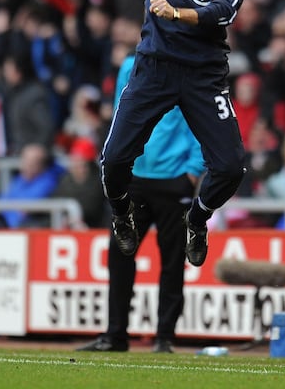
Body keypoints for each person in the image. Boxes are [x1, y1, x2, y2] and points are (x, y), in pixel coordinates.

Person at [71, 0, 249, 266]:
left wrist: (177, 12)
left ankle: (198, 218)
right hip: (154, 68)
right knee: (114, 160)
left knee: (232, 167)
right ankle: (122, 214)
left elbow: (223, 11)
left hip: (204, 75)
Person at [78, 53, 205, 353]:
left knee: (172, 261)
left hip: (174, 178)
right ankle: (116, 334)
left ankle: (164, 337)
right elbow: (122, 114)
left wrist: (193, 171)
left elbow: (201, 118)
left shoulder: (190, 64)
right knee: (120, 256)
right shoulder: (129, 65)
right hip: (135, 176)